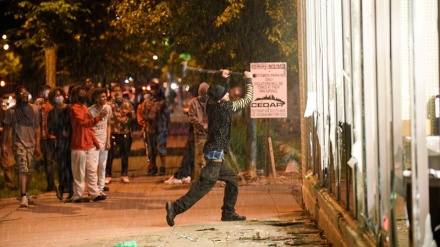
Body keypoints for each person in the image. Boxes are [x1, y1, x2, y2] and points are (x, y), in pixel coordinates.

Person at [165, 70, 253, 226]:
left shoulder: (211, 106)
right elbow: (248, 99)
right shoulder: (226, 108)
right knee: (203, 187)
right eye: (226, 94)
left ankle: (228, 212)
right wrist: (249, 80)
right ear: (221, 99)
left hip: (214, 151)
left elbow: (217, 93)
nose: (228, 95)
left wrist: (224, 79)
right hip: (215, 154)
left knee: (232, 180)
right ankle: (175, 208)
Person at [1, 85, 41, 207]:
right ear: (17, 96)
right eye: (21, 94)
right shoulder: (11, 112)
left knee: (29, 170)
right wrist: (3, 146)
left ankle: (24, 193)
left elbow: (37, 127)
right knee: (23, 168)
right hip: (18, 142)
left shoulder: (34, 109)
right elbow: (6, 129)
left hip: (31, 143)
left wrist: (38, 144)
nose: (24, 95)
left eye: (26, 93)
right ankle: (23, 196)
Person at [164, 82, 209, 185]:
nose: (190, 96)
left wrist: (189, 112)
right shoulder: (204, 101)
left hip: (197, 133)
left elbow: (197, 116)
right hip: (199, 133)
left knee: (190, 154)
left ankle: (181, 175)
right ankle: (185, 174)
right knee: (192, 155)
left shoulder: (197, 101)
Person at [69, 86, 107, 203]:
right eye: (80, 93)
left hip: (88, 143)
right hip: (78, 144)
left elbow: (88, 127)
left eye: (83, 92)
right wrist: (99, 117)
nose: (83, 95)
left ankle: (94, 193)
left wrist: (95, 141)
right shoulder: (74, 109)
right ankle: (78, 195)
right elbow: (83, 123)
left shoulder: (84, 107)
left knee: (91, 169)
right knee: (79, 172)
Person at [47, 87, 74, 202]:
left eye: (60, 95)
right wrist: (59, 132)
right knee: (61, 167)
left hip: (71, 142)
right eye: (56, 96)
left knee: (71, 166)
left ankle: (71, 190)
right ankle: (62, 186)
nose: (58, 97)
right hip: (59, 142)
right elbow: (50, 128)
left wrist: (68, 131)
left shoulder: (69, 109)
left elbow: (74, 124)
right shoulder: (52, 113)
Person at [106, 84, 135, 183]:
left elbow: (133, 118)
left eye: (119, 90)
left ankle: (124, 174)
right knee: (110, 155)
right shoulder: (108, 105)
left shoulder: (128, 104)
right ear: (112, 93)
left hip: (124, 132)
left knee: (125, 154)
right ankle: (108, 175)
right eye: (115, 91)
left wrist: (130, 117)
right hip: (112, 132)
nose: (117, 92)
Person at [88, 88, 112, 194]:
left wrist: (108, 140)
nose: (105, 98)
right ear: (97, 99)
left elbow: (108, 124)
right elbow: (89, 126)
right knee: (93, 166)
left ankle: (101, 188)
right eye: (102, 96)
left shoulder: (108, 108)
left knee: (103, 165)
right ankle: (93, 189)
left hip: (104, 140)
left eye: (105, 96)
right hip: (94, 141)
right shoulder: (90, 111)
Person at [143, 81, 170, 176]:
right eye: (152, 89)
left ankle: (163, 167)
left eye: (154, 89)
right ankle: (153, 167)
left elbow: (167, 115)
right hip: (150, 128)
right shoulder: (147, 102)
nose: (153, 91)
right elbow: (144, 114)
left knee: (161, 149)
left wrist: (168, 127)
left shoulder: (163, 102)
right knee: (151, 150)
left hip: (160, 128)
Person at [35, 85, 56, 192]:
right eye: (44, 91)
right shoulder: (40, 105)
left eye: (48, 91)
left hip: (53, 136)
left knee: (51, 161)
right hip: (44, 137)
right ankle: (51, 184)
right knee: (48, 161)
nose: (45, 93)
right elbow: (36, 121)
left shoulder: (53, 104)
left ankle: (56, 184)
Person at [0, 104, 16, 190]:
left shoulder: (4, 112)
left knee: (6, 162)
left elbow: (6, 125)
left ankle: (10, 184)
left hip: (3, 139)